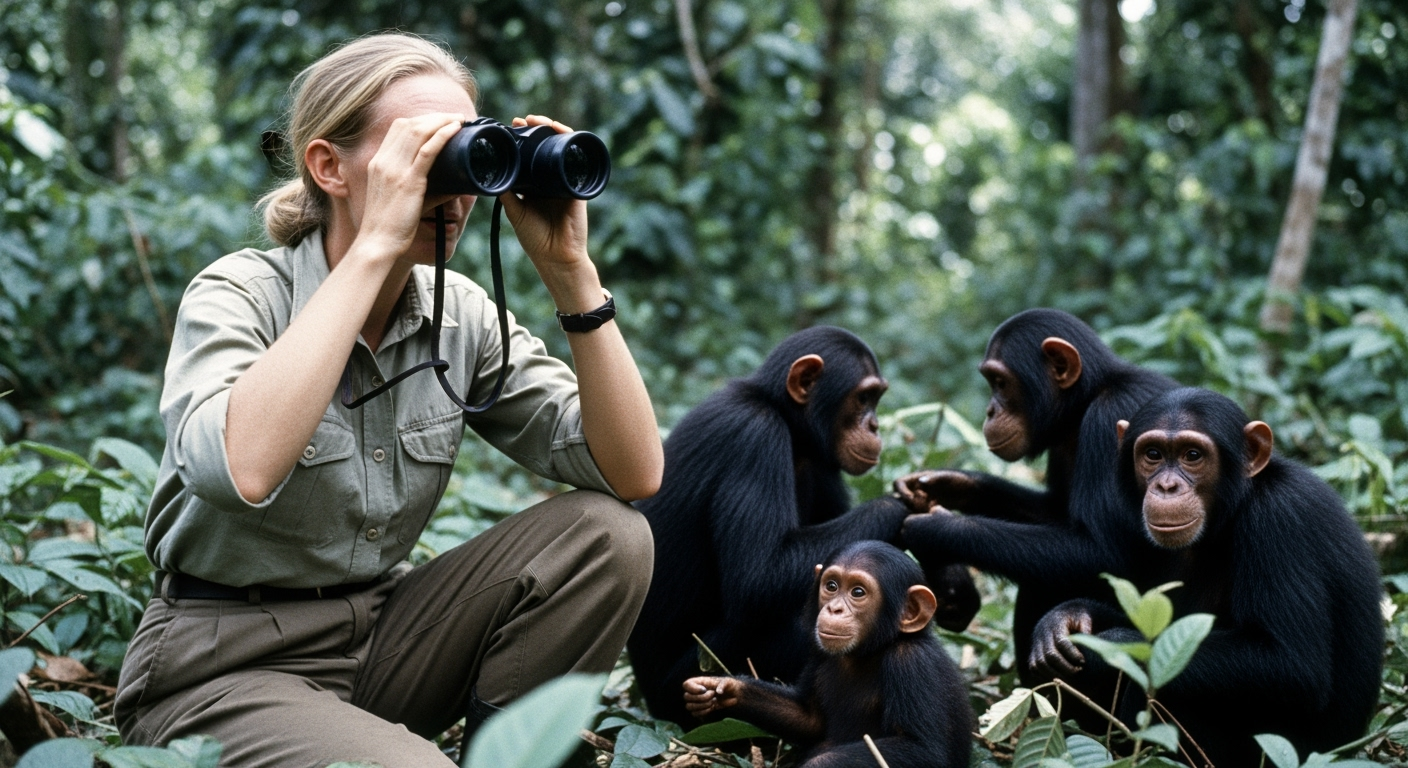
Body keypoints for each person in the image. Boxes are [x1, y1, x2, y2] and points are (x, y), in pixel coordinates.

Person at [113, 33, 663, 768]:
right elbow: (239, 468)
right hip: (219, 669)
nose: (457, 188)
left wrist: (572, 274)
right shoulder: (240, 294)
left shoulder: (458, 315)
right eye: (423, 154)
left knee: (611, 535)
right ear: (329, 166)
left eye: (470, 154)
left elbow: (633, 474)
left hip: (379, 641)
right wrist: (375, 246)